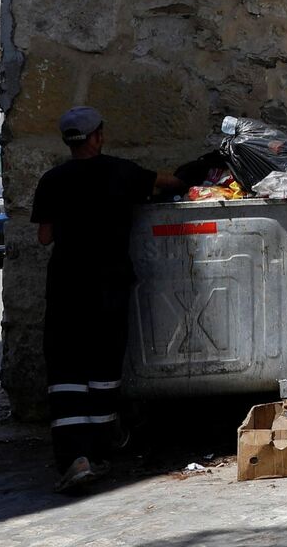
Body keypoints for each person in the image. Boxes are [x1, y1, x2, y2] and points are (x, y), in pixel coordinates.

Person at [32, 107, 185, 494]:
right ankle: (102, 449)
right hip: (109, 285)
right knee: (103, 365)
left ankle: (75, 458)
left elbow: (44, 237)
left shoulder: (52, 180)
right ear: (96, 137)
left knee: (66, 370)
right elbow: (166, 183)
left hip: (67, 286)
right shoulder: (122, 172)